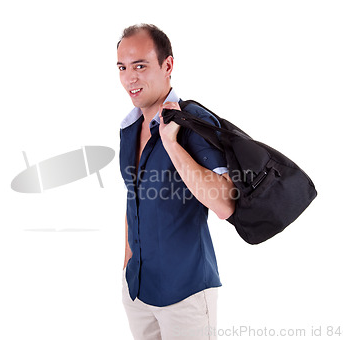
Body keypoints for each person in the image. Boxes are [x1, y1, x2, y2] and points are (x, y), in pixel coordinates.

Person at [117, 24, 236, 340]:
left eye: (140, 65)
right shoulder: (129, 129)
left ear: (167, 66)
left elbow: (224, 203)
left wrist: (172, 143)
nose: (130, 78)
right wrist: (127, 264)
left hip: (186, 294)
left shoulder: (192, 121)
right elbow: (134, 199)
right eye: (122, 67)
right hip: (138, 290)